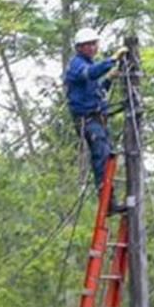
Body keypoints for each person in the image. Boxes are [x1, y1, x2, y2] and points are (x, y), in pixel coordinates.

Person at [65, 27, 122, 198]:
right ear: (79, 47)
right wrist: (112, 60)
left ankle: (110, 198)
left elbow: (97, 92)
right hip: (88, 120)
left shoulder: (89, 64)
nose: (92, 48)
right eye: (87, 45)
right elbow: (90, 74)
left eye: (93, 44)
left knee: (110, 158)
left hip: (98, 119)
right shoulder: (77, 64)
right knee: (102, 157)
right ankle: (106, 198)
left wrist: (109, 79)